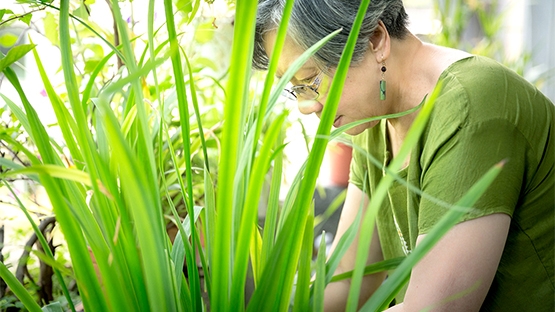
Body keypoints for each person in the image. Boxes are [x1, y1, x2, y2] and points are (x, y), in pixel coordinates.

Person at [253, 0, 555, 311]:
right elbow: (349, 278)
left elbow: (436, 308)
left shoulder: (472, 107)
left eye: (310, 79)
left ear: (375, 40)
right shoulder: (375, 117)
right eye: (294, 89)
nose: (306, 105)